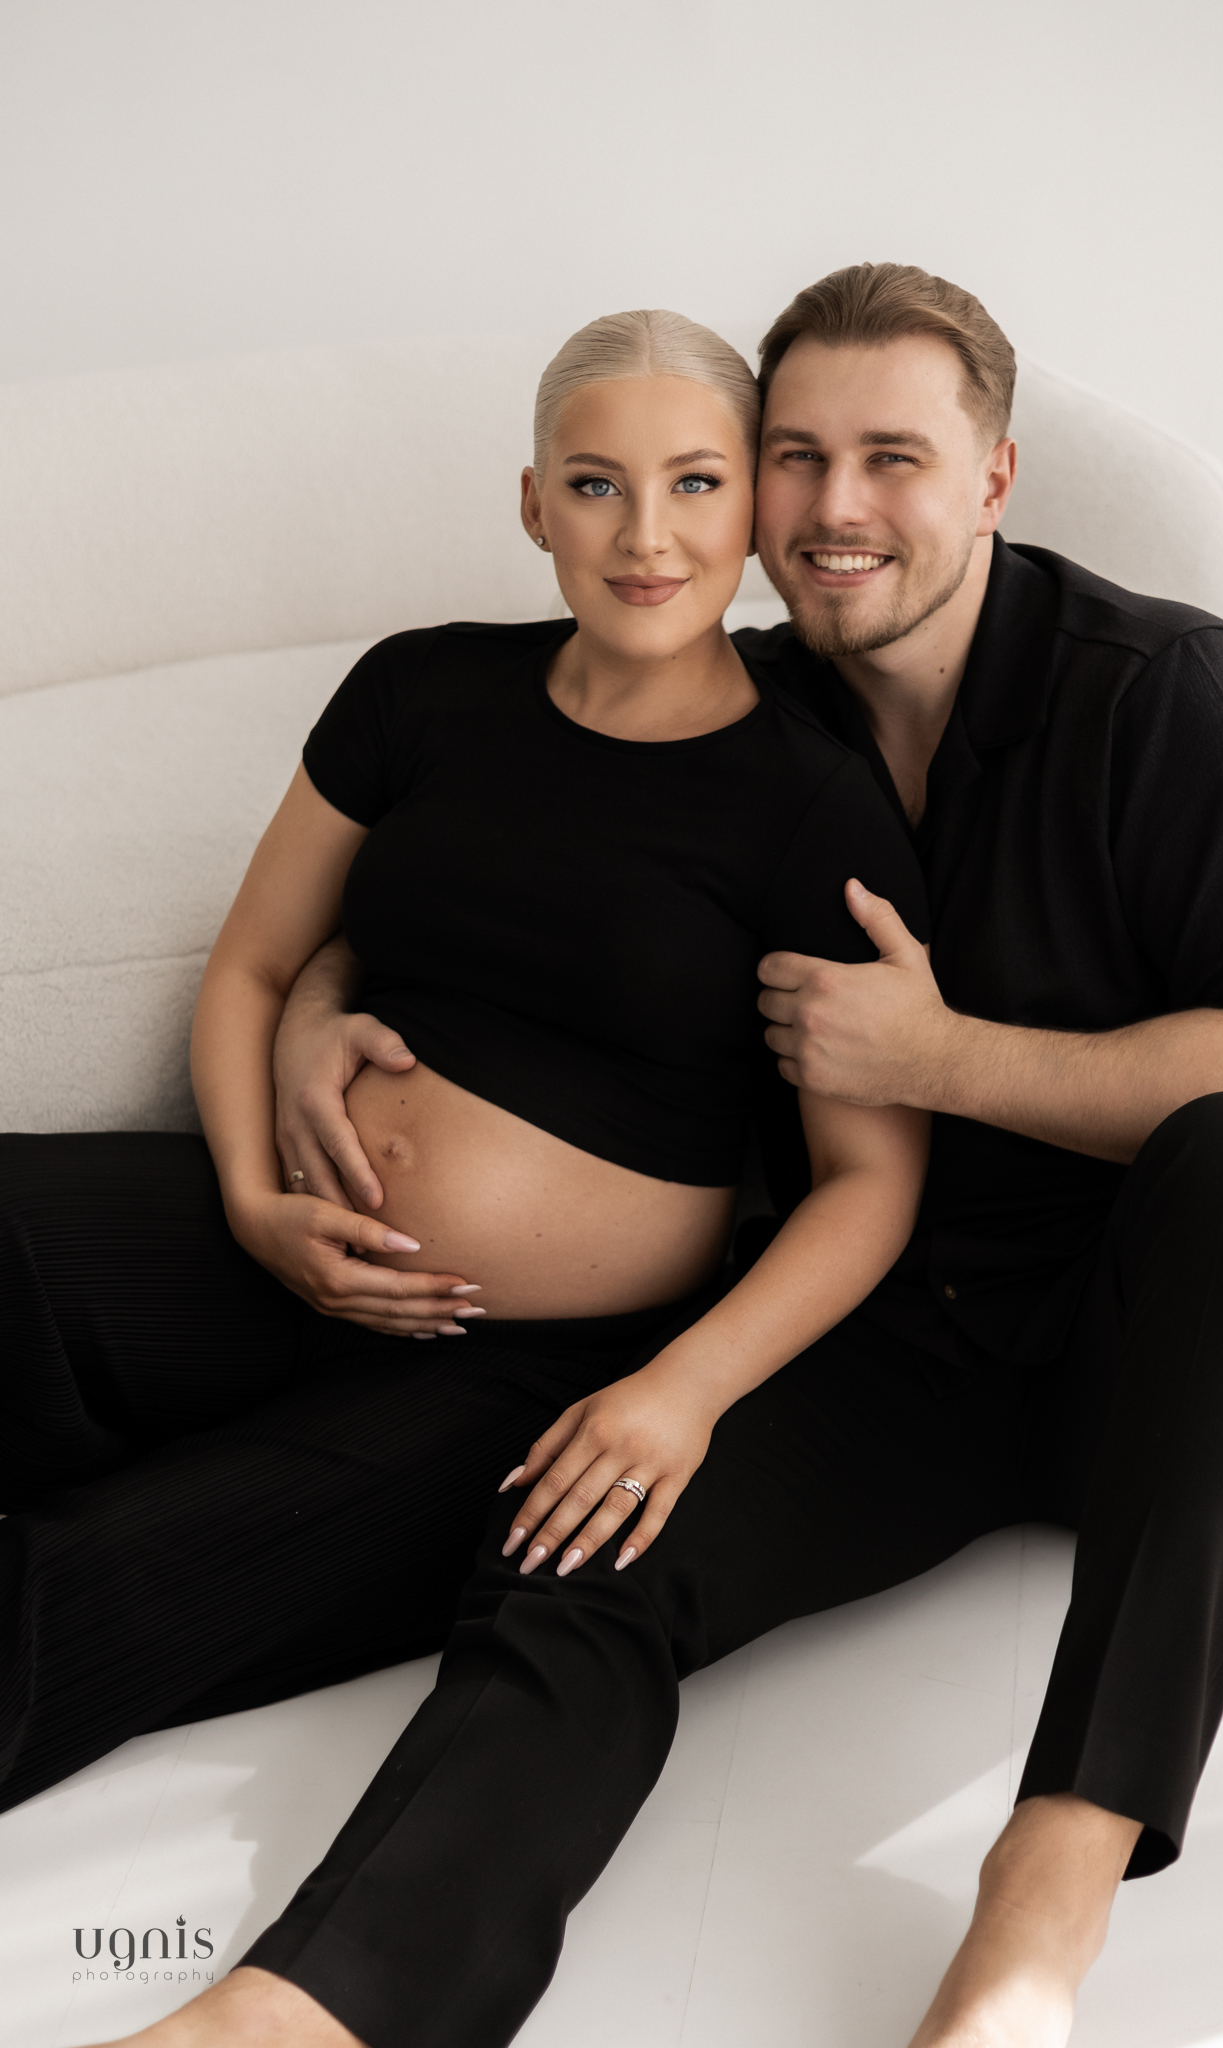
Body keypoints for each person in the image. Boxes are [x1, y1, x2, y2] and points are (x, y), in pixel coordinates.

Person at [262, 265, 1223, 2048]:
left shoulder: (1183, 700)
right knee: (581, 1530)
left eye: (892, 458)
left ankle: (1038, 1914)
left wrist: (944, 1059)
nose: (835, 508)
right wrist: (318, 1001)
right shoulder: (741, 706)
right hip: (900, 1336)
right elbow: (477, 889)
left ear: (994, 477)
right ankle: (313, 2007)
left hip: (1174, 1343)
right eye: (795, 455)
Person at [0, 313, 933, 2041]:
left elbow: (865, 1183)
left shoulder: (812, 806)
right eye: (595, 485)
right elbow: (254, 967)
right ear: (529, 503)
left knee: (104, 1574)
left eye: (693, 485)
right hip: (275, 1241)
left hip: (519, 1367)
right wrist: (254, 1191)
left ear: (749, 509)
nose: (643, 536)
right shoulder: (421, 689)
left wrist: (677, 1394)